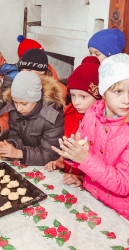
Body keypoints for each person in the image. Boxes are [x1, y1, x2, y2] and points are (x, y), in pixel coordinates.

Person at [52, 53, 129, 220]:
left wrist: (84, 159)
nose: (127, 99)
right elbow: (88, 155)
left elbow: (123, 184)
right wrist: (72, 154)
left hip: (120, 213)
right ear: (103, 91)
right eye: (118, 91)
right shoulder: (92, 115)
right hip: (92, 199)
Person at [0, 48, 66, 137]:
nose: (24, 74)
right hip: (22, 141)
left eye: (29, 70)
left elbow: (55, 125)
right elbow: (12, 113)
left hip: (44, 143)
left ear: (42, 70)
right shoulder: (20, 85)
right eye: (22, 70)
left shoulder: (57, 93)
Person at [45, 56, 101, 187]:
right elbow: (68, 146)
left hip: (92, 183)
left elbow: (100, 162)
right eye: (73, 95)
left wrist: (82, 177)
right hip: (69, 178)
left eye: (83, 96)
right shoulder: (69, 114)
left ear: (98, 95)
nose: (76, 102)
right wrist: (61, 161)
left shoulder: (100, 123)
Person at [0, 71, 64, 166]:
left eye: (24, 104)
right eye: (15, 102)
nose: (19, 108)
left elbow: (51, 154)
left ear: (36, 99)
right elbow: (15, 135)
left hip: (46, 167)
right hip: (26, 162)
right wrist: (11, 145)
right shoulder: (14, 110)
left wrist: (19, 153)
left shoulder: (52, 115)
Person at [0, 35, 66, 97]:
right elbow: (8, 101)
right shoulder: (14, 79)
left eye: (28, 70)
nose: (25, 73)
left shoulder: (54, 81)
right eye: (22, 70)